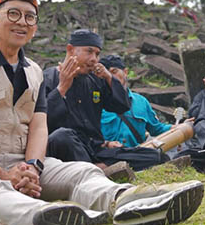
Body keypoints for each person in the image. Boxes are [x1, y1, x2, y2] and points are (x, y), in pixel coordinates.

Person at [0, 0, 203, 225]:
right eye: (13, 13)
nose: (22, 22)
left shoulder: (33, 71)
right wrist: (2, 174)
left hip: (21, 163)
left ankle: (128, 202)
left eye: (29, 17)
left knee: (82, 171)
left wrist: (33, 167)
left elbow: (38, 126)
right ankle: (47, 218)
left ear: (35, 27)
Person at [44, 30, 168, 172]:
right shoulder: (48, 78)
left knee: (155, 156)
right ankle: (96, 170)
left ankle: (96, 169)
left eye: (97, 54)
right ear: (70, 50)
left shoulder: (95, 81)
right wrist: (62, 88)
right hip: (63, 150)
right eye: (89, 52)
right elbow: (42, 119)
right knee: (62, 136)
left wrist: (109, 78)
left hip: (94, 150)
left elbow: (122, 106)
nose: (94, 59)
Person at [100, 54, 191, 147]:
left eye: (114, 71)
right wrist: (107, 144)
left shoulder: (141, 102)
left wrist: (179, 127)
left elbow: (156, 129)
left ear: (125, 72)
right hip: (108, 156)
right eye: (105, 74)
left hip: (138, 155)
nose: (110, 76)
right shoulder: (96, 103)